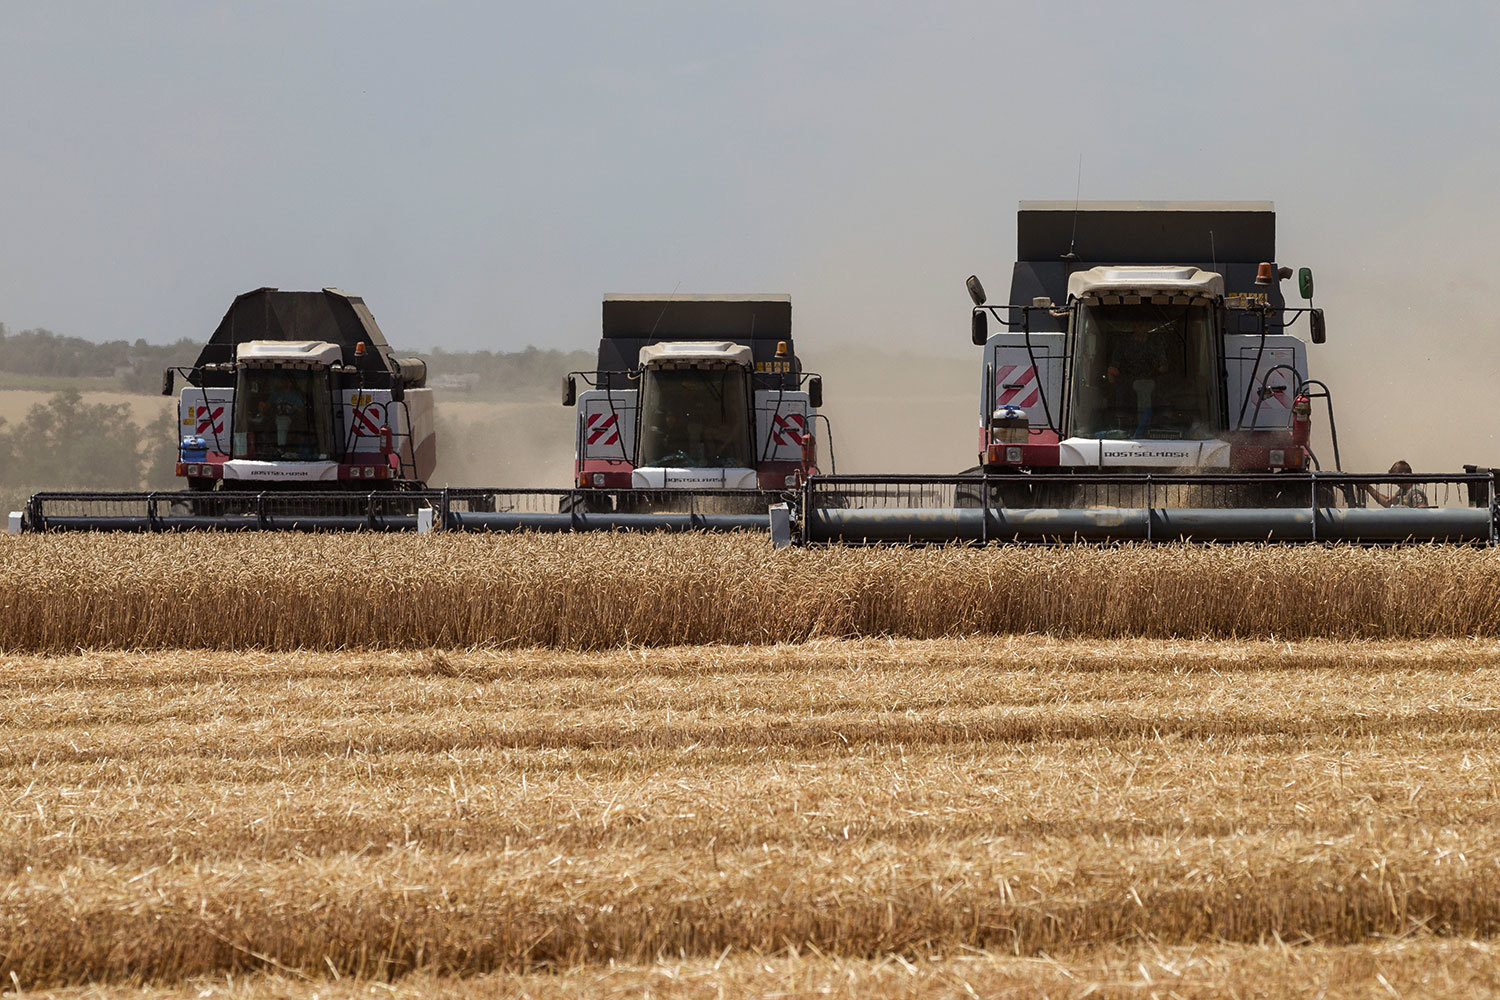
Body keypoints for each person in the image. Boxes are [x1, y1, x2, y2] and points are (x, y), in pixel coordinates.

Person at [1104, 319, 1170, 436]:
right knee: (1119, 389)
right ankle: (1122, 422)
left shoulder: (1155, 343)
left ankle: (1160, 421)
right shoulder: (1123, 343)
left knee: (1159, 388)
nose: (1141, 328)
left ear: (1148, 326)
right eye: (1138, 324)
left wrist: (1157, 370)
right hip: (1127, 379)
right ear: (1133, 326)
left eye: (1144, 324)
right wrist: (1111, 374)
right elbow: (1114, 364)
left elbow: (1163, 366)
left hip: (1152, 379)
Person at [1365, 460, 1429, 508]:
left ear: (1404, 475)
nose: (1397, 484)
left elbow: (1422, 510)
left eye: (1397, 481)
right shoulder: (1403, 490)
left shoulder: (1415, 491)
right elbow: (1388, 502)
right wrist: (1369, 488)